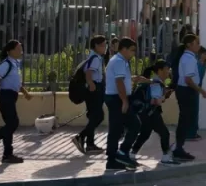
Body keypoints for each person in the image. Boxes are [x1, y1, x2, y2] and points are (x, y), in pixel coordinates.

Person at [104, 37, 147, 170]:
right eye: (132, 50)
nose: (133, 53)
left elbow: (123, 79)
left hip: (116, 98)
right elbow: (119, 82)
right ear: (123, 49)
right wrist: (124, 101)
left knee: (116, 130)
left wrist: (136, 79)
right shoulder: (119, 61)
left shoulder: (120, 61)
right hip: (117, 98)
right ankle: (122, 153)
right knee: (134, 124)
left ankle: (113, 160)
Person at [130, 60, 179, 165]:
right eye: (167, 70)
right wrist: (164, 96)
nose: (168, 72)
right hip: (152, 112)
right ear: (160, 71)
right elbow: (155, 101)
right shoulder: (156, 83)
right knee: (164, 133)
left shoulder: (154, 82)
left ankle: (132, 154)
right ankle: (166, 157)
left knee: (145, 133)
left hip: (145, 112)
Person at [174, 33, 206, 162]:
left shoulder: (190, 57)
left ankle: (179, 147)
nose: (198, 46)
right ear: (189, 45)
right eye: (196, 43)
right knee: (184, 120)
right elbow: (188, 80)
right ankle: (178, 148)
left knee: (185, 119)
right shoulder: (189, 59)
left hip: (186, 90)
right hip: (186, 91)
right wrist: (201, 90)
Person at [73, 35, 108, 155]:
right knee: (98, 116)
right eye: (103, 45)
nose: (105, 47)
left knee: (94, 117)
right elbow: (88, 72)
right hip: (95, 90)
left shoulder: (95, 57)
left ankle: (90, 144)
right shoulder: (96, 58)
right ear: (97, 46)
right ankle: (81, 137)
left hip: (95, 89)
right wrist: (91, 83)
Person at [187, 45, 206, 140]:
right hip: (192, 88)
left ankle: (194, 131)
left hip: (197, 88)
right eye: (204, 53)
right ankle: (189, 133)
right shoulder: (195, 63)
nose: (205, 55)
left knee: (195, 111)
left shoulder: (203, 63)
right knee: (191, 111)